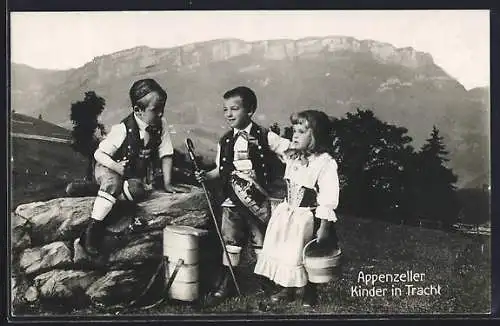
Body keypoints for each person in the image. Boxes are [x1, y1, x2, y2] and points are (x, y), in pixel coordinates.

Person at [195, 86, 290, 300]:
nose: (229, 114)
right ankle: (228, 281)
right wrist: (206, 176)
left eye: (234, 109)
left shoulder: (265, 136)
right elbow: (220, 170)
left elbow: (289, 151)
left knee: (261, 240)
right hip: (233, 199)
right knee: (231, 240)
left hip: (257, 199)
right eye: (225, 109)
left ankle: (267, 280)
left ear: (250, 110)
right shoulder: (225, 140)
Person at [81, 78, 186, 256]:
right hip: (108, 166)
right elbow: (99, 154)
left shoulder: (161, 125)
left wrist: (168, 183)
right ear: (138, 110)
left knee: (138, 190)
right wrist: (116, 167)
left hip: (128, 172)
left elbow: (166, 152)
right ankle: (92, 231)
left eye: (162, 109)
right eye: (155, 110)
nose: (160, 114)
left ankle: (97, 192)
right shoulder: (122, 129)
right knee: (113, 184)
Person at [254, 109, 341, 307]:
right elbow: (274, 141)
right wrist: (251, 127)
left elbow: (328, 196)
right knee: (285, 252)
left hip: (306, 217)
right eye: (294, 130)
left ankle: (310, 292)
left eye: (301, 132)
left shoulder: (324, 163)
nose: (294, 135)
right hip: (287, 213)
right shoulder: (292, 154)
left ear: (315, 136)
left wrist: (324, 226)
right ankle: (287, 289)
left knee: (304, 254)